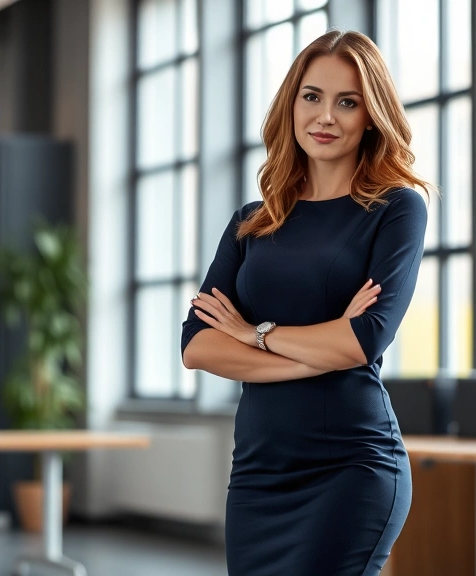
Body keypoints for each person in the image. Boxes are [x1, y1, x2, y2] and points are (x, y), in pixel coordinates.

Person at [180, 29, 431, 576]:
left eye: (348, 102)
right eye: (312, 96)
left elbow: (364, 339)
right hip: (259, 470)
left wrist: (254, 333)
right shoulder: (252, 222)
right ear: (291, 104)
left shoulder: (396, 210)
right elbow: (197, 347)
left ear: (372, 116)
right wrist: (316, 351)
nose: (326, 116)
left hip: (352, 464)